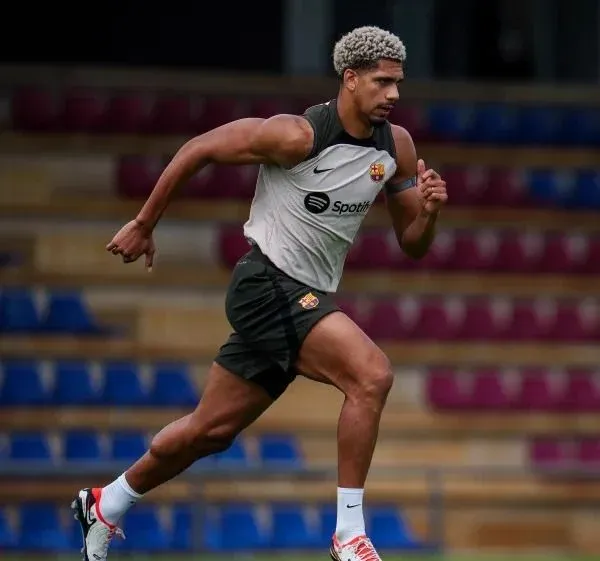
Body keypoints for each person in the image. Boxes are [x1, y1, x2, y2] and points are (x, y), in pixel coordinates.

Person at [72, 25, 447, 561]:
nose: (393, 94)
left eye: (398, 84)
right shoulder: (295, 136)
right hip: (266, 284)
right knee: (372, 375)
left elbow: (412, 244)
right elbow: (200, 148)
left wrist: (428, 213)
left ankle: (106, 502)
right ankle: (348, 535)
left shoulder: (397, 147)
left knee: (209, 431)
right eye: (382, 82)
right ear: (350, 78)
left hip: (302, 298)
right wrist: (145, 222)